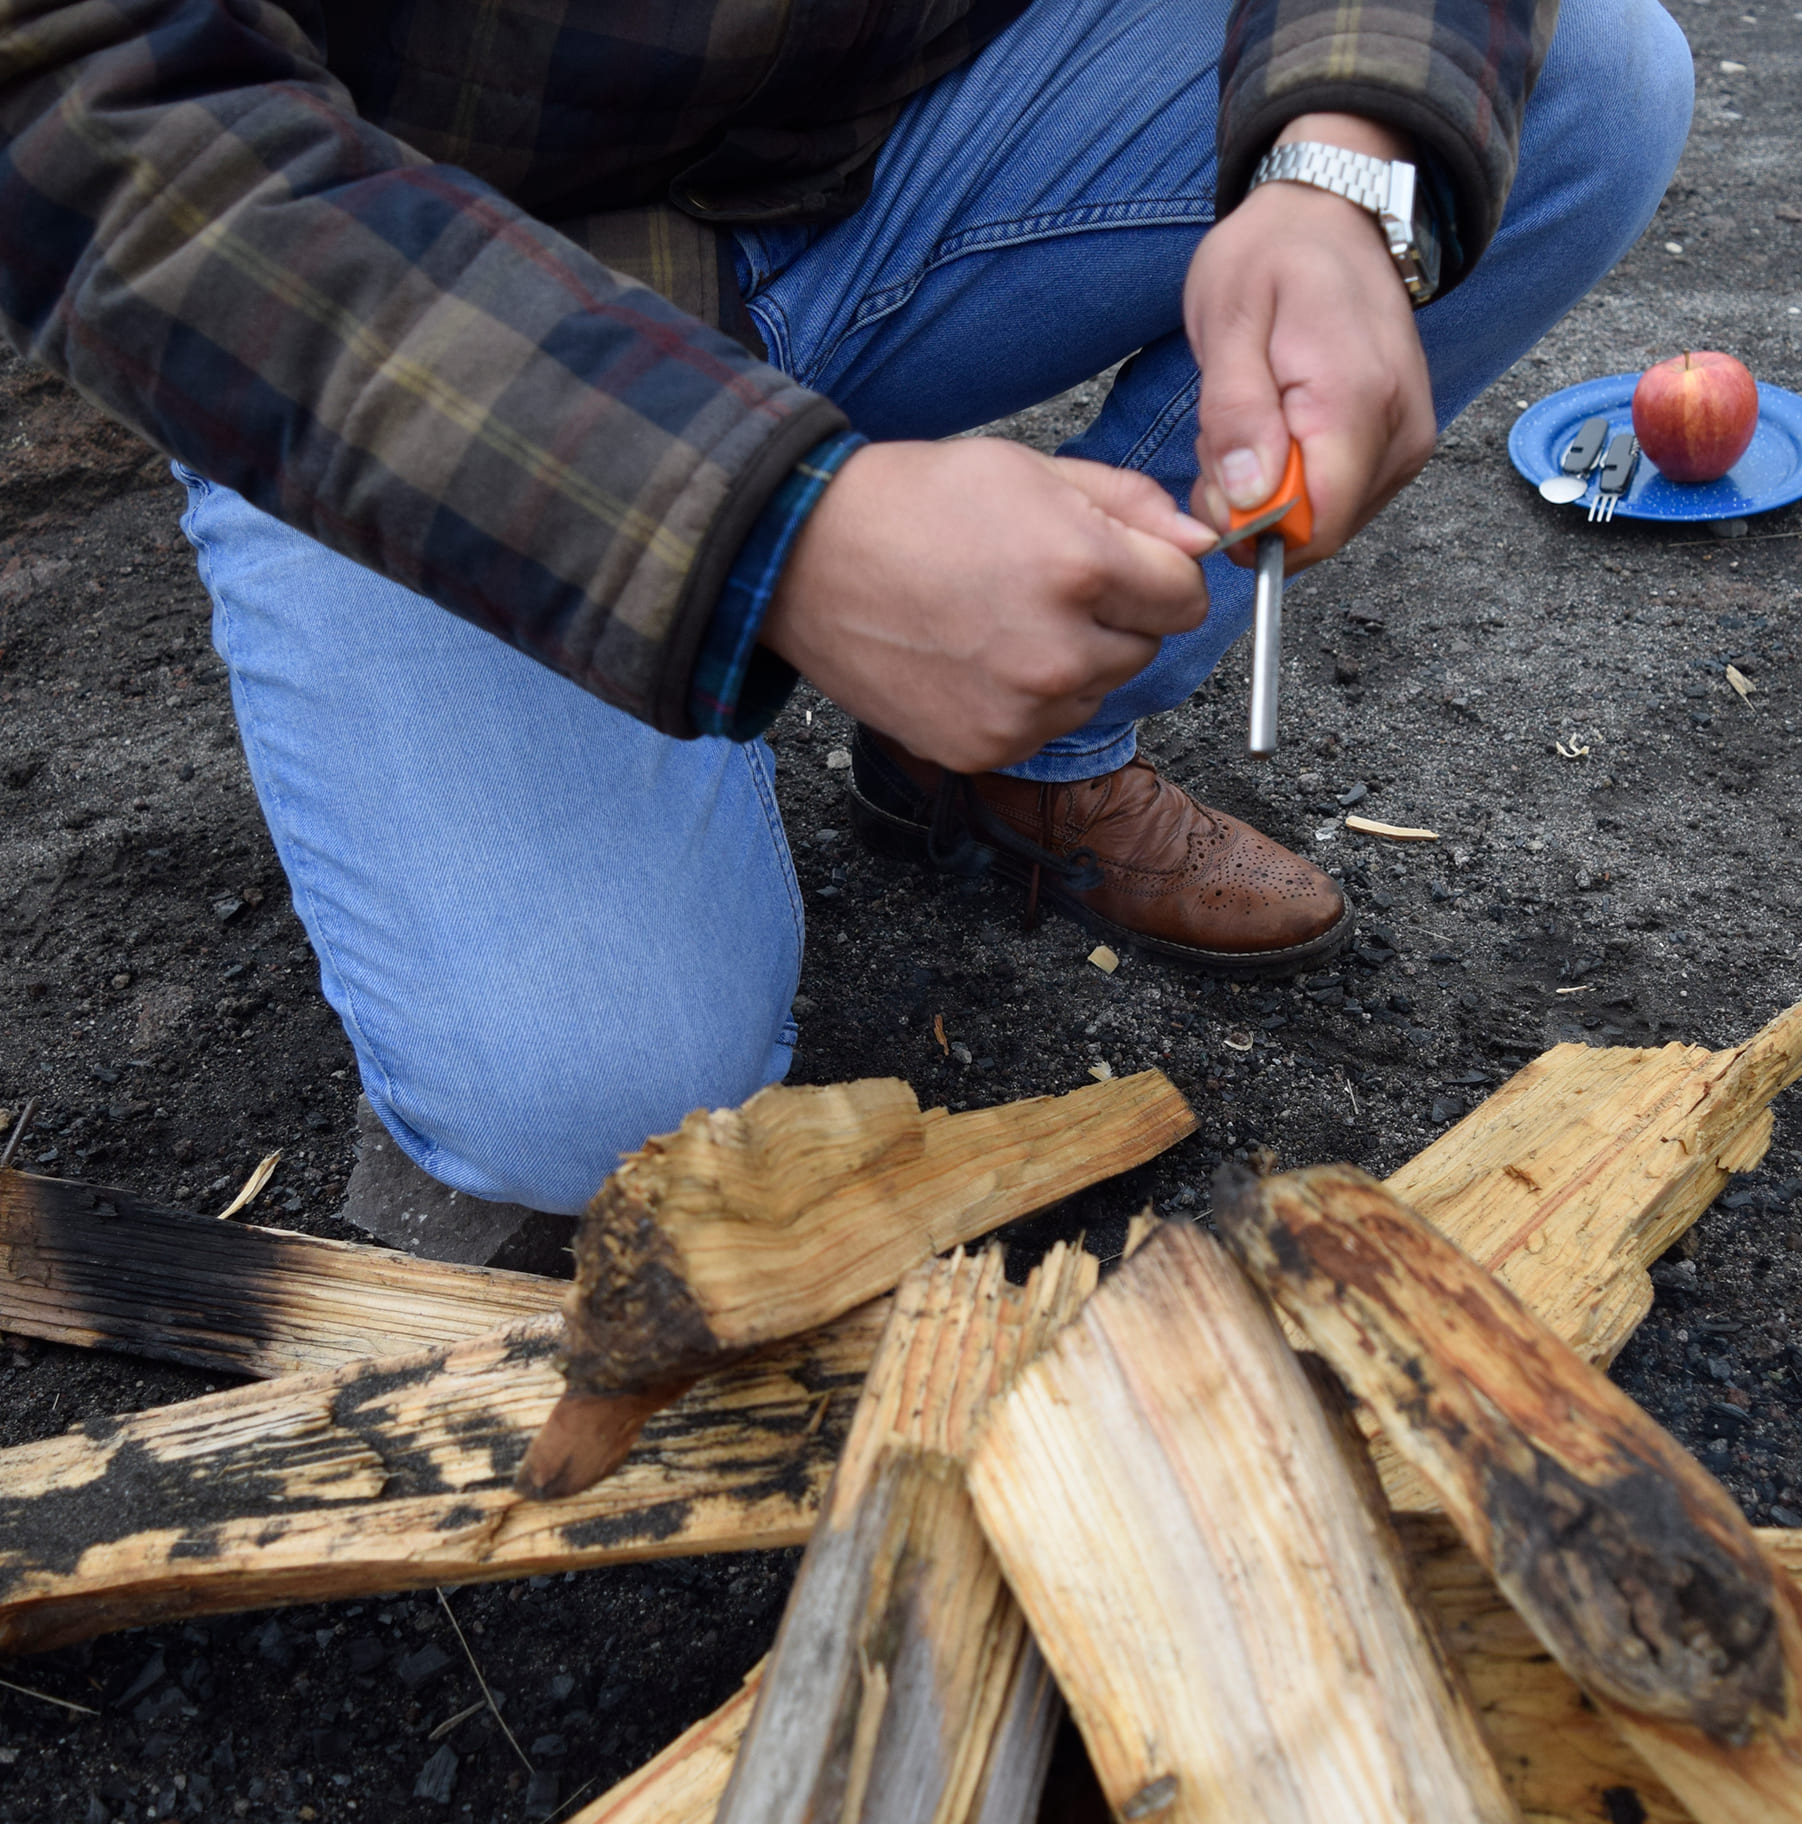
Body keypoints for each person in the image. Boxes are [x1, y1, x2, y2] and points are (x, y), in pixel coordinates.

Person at [0, 0, 1692, 1215]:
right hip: (417, 285)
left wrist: (1346, 168)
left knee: (1587, 74)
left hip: (913, 137)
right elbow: (69, 107)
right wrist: (763, 536)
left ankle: (1016, 749)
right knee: (605, 1103)